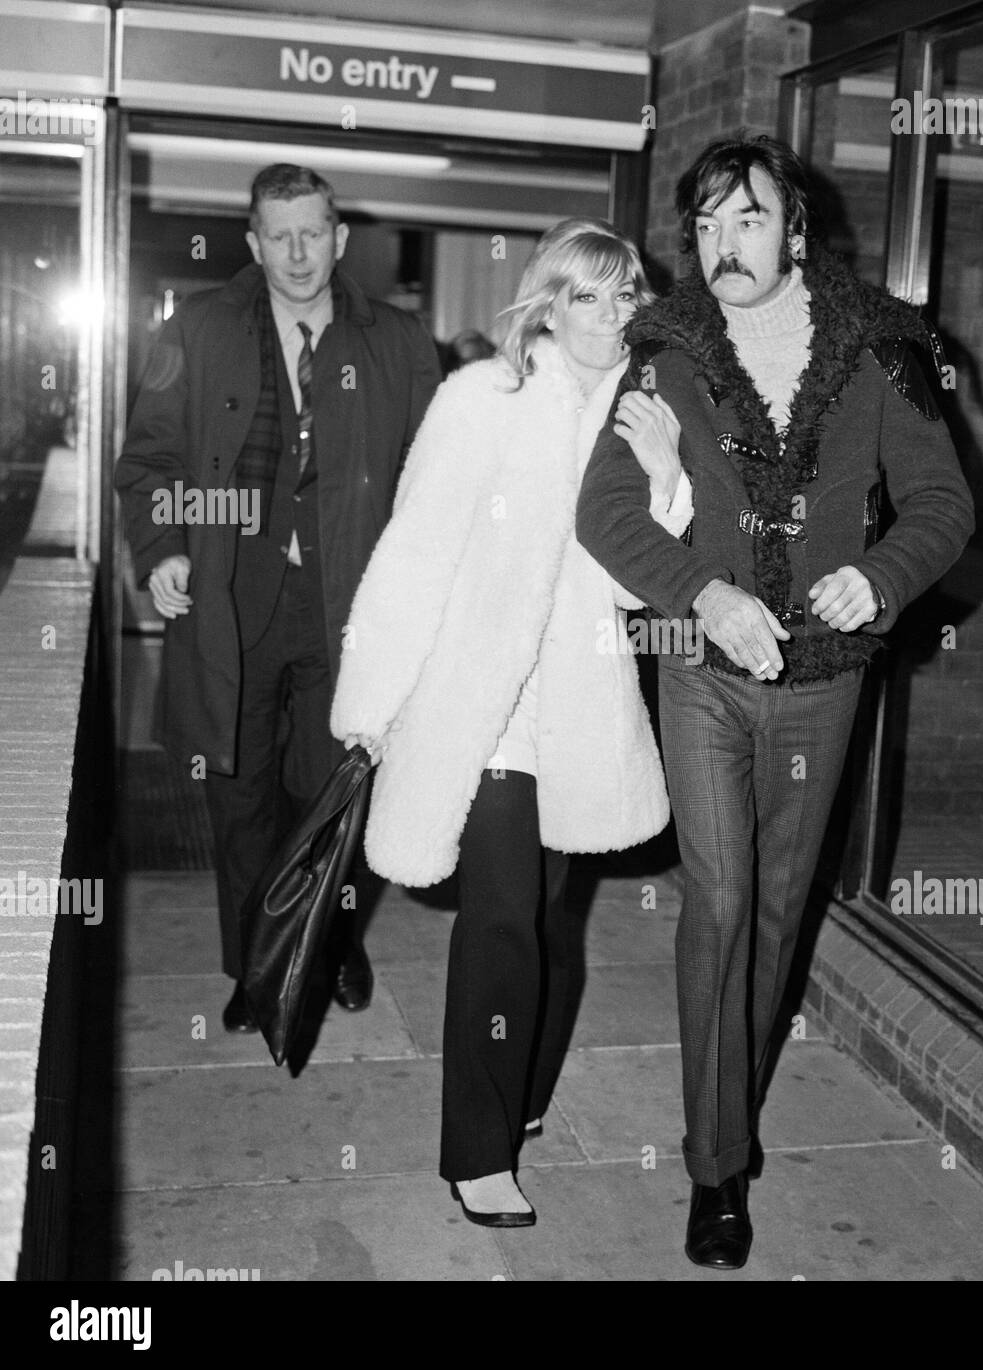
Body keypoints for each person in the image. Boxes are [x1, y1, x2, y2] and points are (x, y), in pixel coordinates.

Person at [577, 133, 975, 1269]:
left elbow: (944, 505)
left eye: (743, 220)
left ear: (793, 229)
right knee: (720, 899)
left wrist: (882, 573)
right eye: (702, 227)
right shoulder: (667, 353)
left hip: (823, 684)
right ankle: (717, 1165)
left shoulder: (875, 351)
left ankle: (725, 1112)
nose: (721, 247)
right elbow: (604, 511)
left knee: (777, 915)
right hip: (702, 673)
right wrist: (699, 589)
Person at [329, 218, 693, 1226]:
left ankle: (521, 1089)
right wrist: (369, 701)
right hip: (482, 709)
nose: (611, 316)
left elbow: (639, 589)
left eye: (626, 297)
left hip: (577, 706)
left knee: (549, 923)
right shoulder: (481, 399)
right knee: (501, 921)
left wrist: (665, 474)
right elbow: (414, 553)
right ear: (546, 303)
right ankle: (477, 1152)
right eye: (589, 295)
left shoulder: (640, 413)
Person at [115, 164, 442, 1031]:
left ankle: (327, 942)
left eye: (314, 233)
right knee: (238, 793)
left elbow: (433, 485)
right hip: (230, 600)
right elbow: (149, 463)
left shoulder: (400, 343)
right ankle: (253, 963)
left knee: (330, 789)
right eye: (278, 236)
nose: (298, 253)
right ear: (253, 244)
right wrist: (163, 548)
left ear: (340, 239)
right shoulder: (198, 329)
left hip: (351, 606)